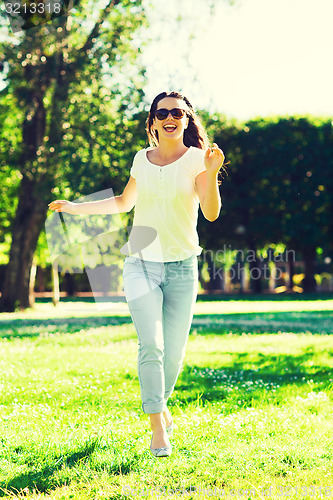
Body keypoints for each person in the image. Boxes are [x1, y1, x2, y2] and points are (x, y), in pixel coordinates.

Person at [48, 91, 225, 458]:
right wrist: (77, 208)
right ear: (153, 122)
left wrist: (210, 173)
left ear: (187, 120)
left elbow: (210, 214)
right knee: (152, 345)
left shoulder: (197, 160)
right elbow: (123, 202)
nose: (169, 118)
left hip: (182, 268)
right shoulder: (140, 160)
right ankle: (157, 426)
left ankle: (160, 402)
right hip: (140, 265)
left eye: (177, 112)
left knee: (173, 356)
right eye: (163, 113)